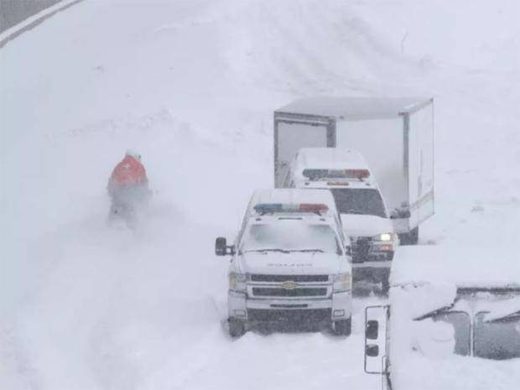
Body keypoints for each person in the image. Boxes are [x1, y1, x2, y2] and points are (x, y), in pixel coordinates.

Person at [107, 150, 150, 219]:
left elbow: (111, 182)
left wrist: (111, 193)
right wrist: (145, 196)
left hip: (117, 193)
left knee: (116, 210)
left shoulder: (119, 166)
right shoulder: (139, 166)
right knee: (130, 211)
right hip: (130, 193)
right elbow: (144, 183)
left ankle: (110, 225)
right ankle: (130, 227)